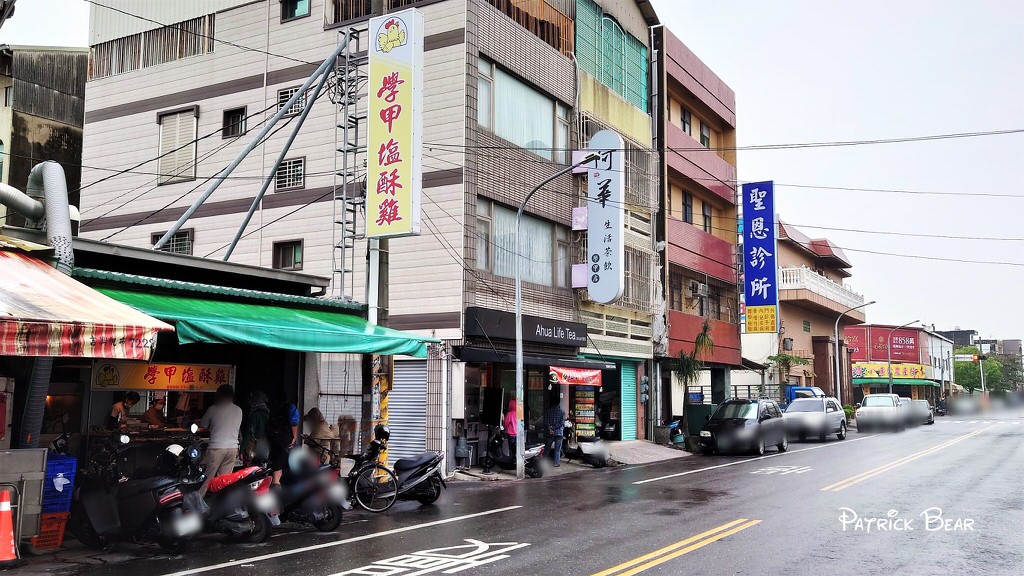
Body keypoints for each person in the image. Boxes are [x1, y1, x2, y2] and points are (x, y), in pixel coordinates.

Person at [198, 385, 243, 497]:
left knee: (206, 477)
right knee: (224, 480)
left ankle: (197, 502)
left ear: (219, 395)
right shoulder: (238, 410)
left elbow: (203, 426)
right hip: (233, 448)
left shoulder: (213, 409)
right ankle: (221, 505)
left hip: (216, 447)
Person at [266, 399, 300, 486]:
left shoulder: (271, 408)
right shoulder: (291, 407)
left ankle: (276, 495)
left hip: (274, 445)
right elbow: (294, 422)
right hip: (287, 444)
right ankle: (290, 496)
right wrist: (294, 436)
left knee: (276, 474)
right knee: (293, 472)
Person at [241, 391, 270, 467]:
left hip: (254, 447)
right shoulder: (268, 413)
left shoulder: (254, 415)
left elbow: (249, 433)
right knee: (262, 468)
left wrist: (242, 449)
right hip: (265, 446)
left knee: (251, 469)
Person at [544, 398, 566, 467]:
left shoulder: (547, 411)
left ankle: (544, 462)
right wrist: (554, 427)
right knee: (557, 449)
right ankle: (556, 463)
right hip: (559, 433)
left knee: (547, 448)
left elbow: (545, 421)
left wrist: (550, 427)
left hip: (550, 432)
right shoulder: (562, 412)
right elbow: (561, 423)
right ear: (558, 403)